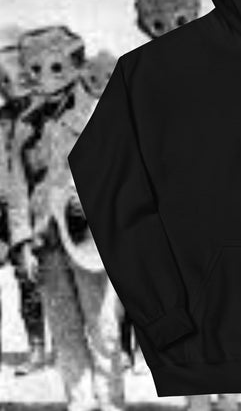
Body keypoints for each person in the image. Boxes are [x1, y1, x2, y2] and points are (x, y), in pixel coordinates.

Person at [11, 25, 125, 411]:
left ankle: (111, 403)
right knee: (64, 331)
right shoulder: (25, 125)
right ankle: (80, 403)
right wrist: (22, 242)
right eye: (33, 70)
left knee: (104, 329)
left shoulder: (100, 110)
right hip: (46, 241)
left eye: (53, 67)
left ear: (73, 65)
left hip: (90, 240)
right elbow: (17, 187)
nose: (42, 79)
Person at [0, 27, 47, 375]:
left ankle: (37, 347)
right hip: (3, 209)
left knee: (29, 281)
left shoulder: (41, 114)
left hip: (31, 211)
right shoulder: (2, 118)